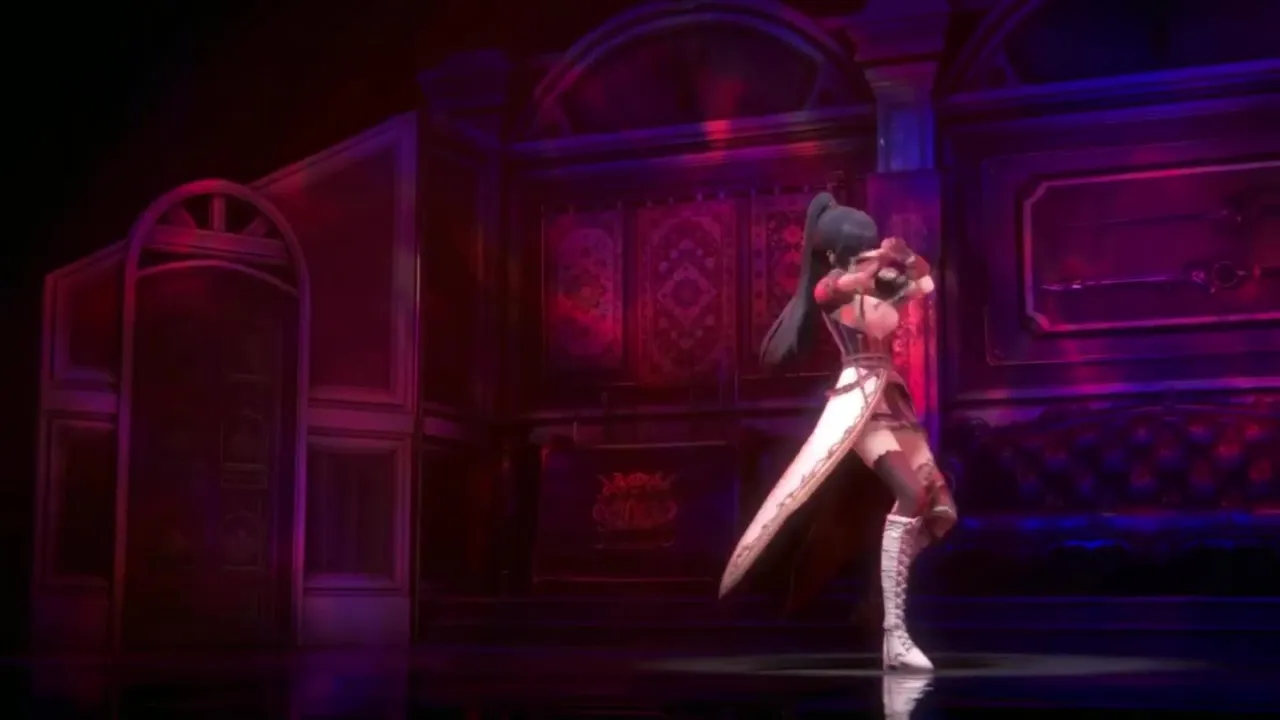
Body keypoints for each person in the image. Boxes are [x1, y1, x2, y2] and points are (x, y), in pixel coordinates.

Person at [719, 192, 956, 672]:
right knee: (909, 494)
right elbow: (843, 287)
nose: (863, 254)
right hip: (859, 401)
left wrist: (905, 257)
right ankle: (894, 633)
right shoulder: (831, 285)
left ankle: (878, 602)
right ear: (833, 254)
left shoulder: (879, 278)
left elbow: (926, 282)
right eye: (854, 249)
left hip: (892, 398)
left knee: (937, 505)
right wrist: (881, 263)